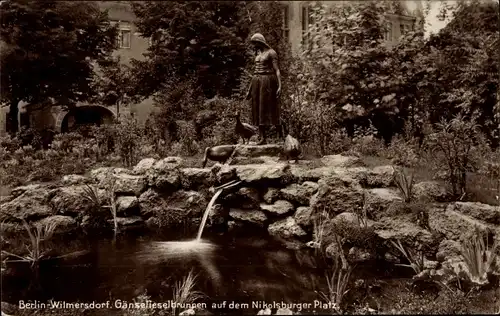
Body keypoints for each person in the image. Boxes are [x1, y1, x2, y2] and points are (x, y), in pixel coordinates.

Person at [245, 33, 282, 145]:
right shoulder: (258, 54)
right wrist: (249, 90)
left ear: (260, 42)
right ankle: (262, 137)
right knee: (257, 108)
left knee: (269, 108)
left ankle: (280, 135)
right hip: (257, 81)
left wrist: (280, 86)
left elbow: (277, 70)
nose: (254, 46)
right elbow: (255, 72)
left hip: (267, 81)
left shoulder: (271, 53)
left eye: (255, 43)